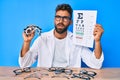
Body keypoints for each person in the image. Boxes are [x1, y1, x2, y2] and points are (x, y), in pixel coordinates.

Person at [19, 3, 104, 69]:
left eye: (65, 18)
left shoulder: (77, 40)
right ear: (54, 19)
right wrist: (27, 42)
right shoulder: (42, 39)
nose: (60, 21)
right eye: (58, 17)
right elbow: (24, 64)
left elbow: (96, 64)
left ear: (70, 22)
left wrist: (97, 41)